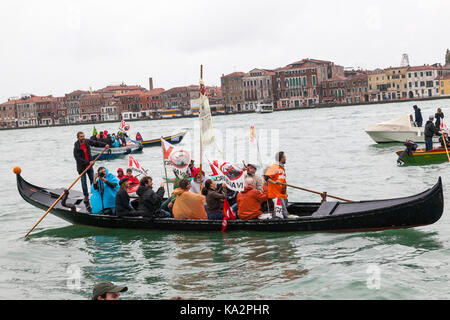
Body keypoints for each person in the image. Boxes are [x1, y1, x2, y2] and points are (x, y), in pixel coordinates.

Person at [73, 132, 109, 205]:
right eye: (81, 137)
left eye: (83, 136)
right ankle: (86, 196)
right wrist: (88, 163)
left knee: (93, 180)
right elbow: (78, 159)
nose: (82, 138)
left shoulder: (87, 141)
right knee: (83, 182)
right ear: (78, 138)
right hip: (82, 167)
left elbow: (95, 143)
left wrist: (104, 145)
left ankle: (95, 193)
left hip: (90, 166)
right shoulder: (76, 147)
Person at [264, 151, 288, 219]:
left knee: (280, 213)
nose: (286, 158)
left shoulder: (281, 168)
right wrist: (274, 182)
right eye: (284, 157)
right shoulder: (274, 167)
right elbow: (267, 178)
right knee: (283, 213)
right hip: (276, 194)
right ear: (281, 158)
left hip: (282, 193)